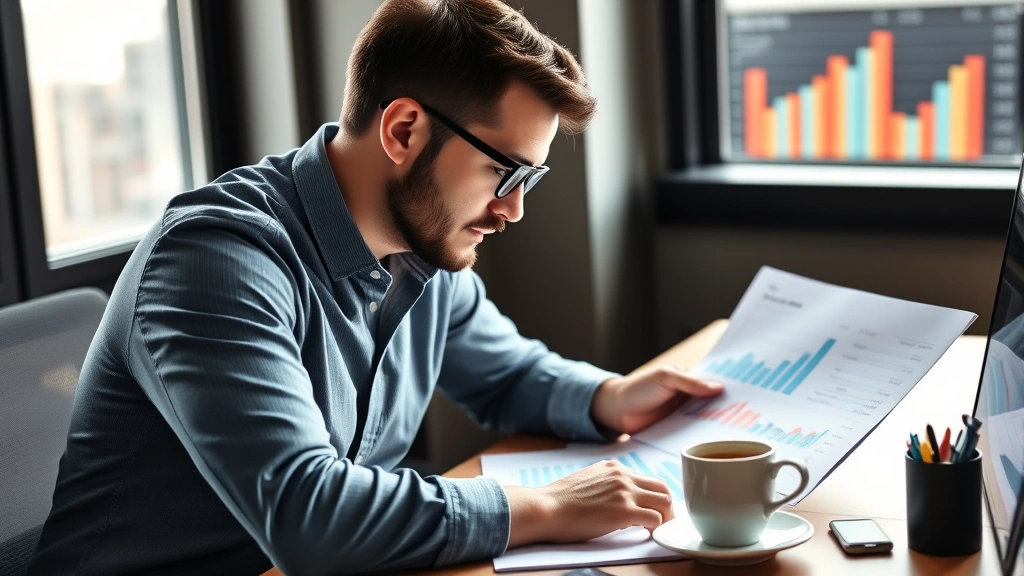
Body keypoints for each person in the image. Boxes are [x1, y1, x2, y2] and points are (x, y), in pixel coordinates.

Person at [28, 0, 722, 574]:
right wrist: (538, 508)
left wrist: (611, 399)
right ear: (404, 129)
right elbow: (310, 517)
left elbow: (507, 375)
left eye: (529, 181)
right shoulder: (215, 260)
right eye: (504, 174)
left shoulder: (422, 252)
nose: (513, 209)